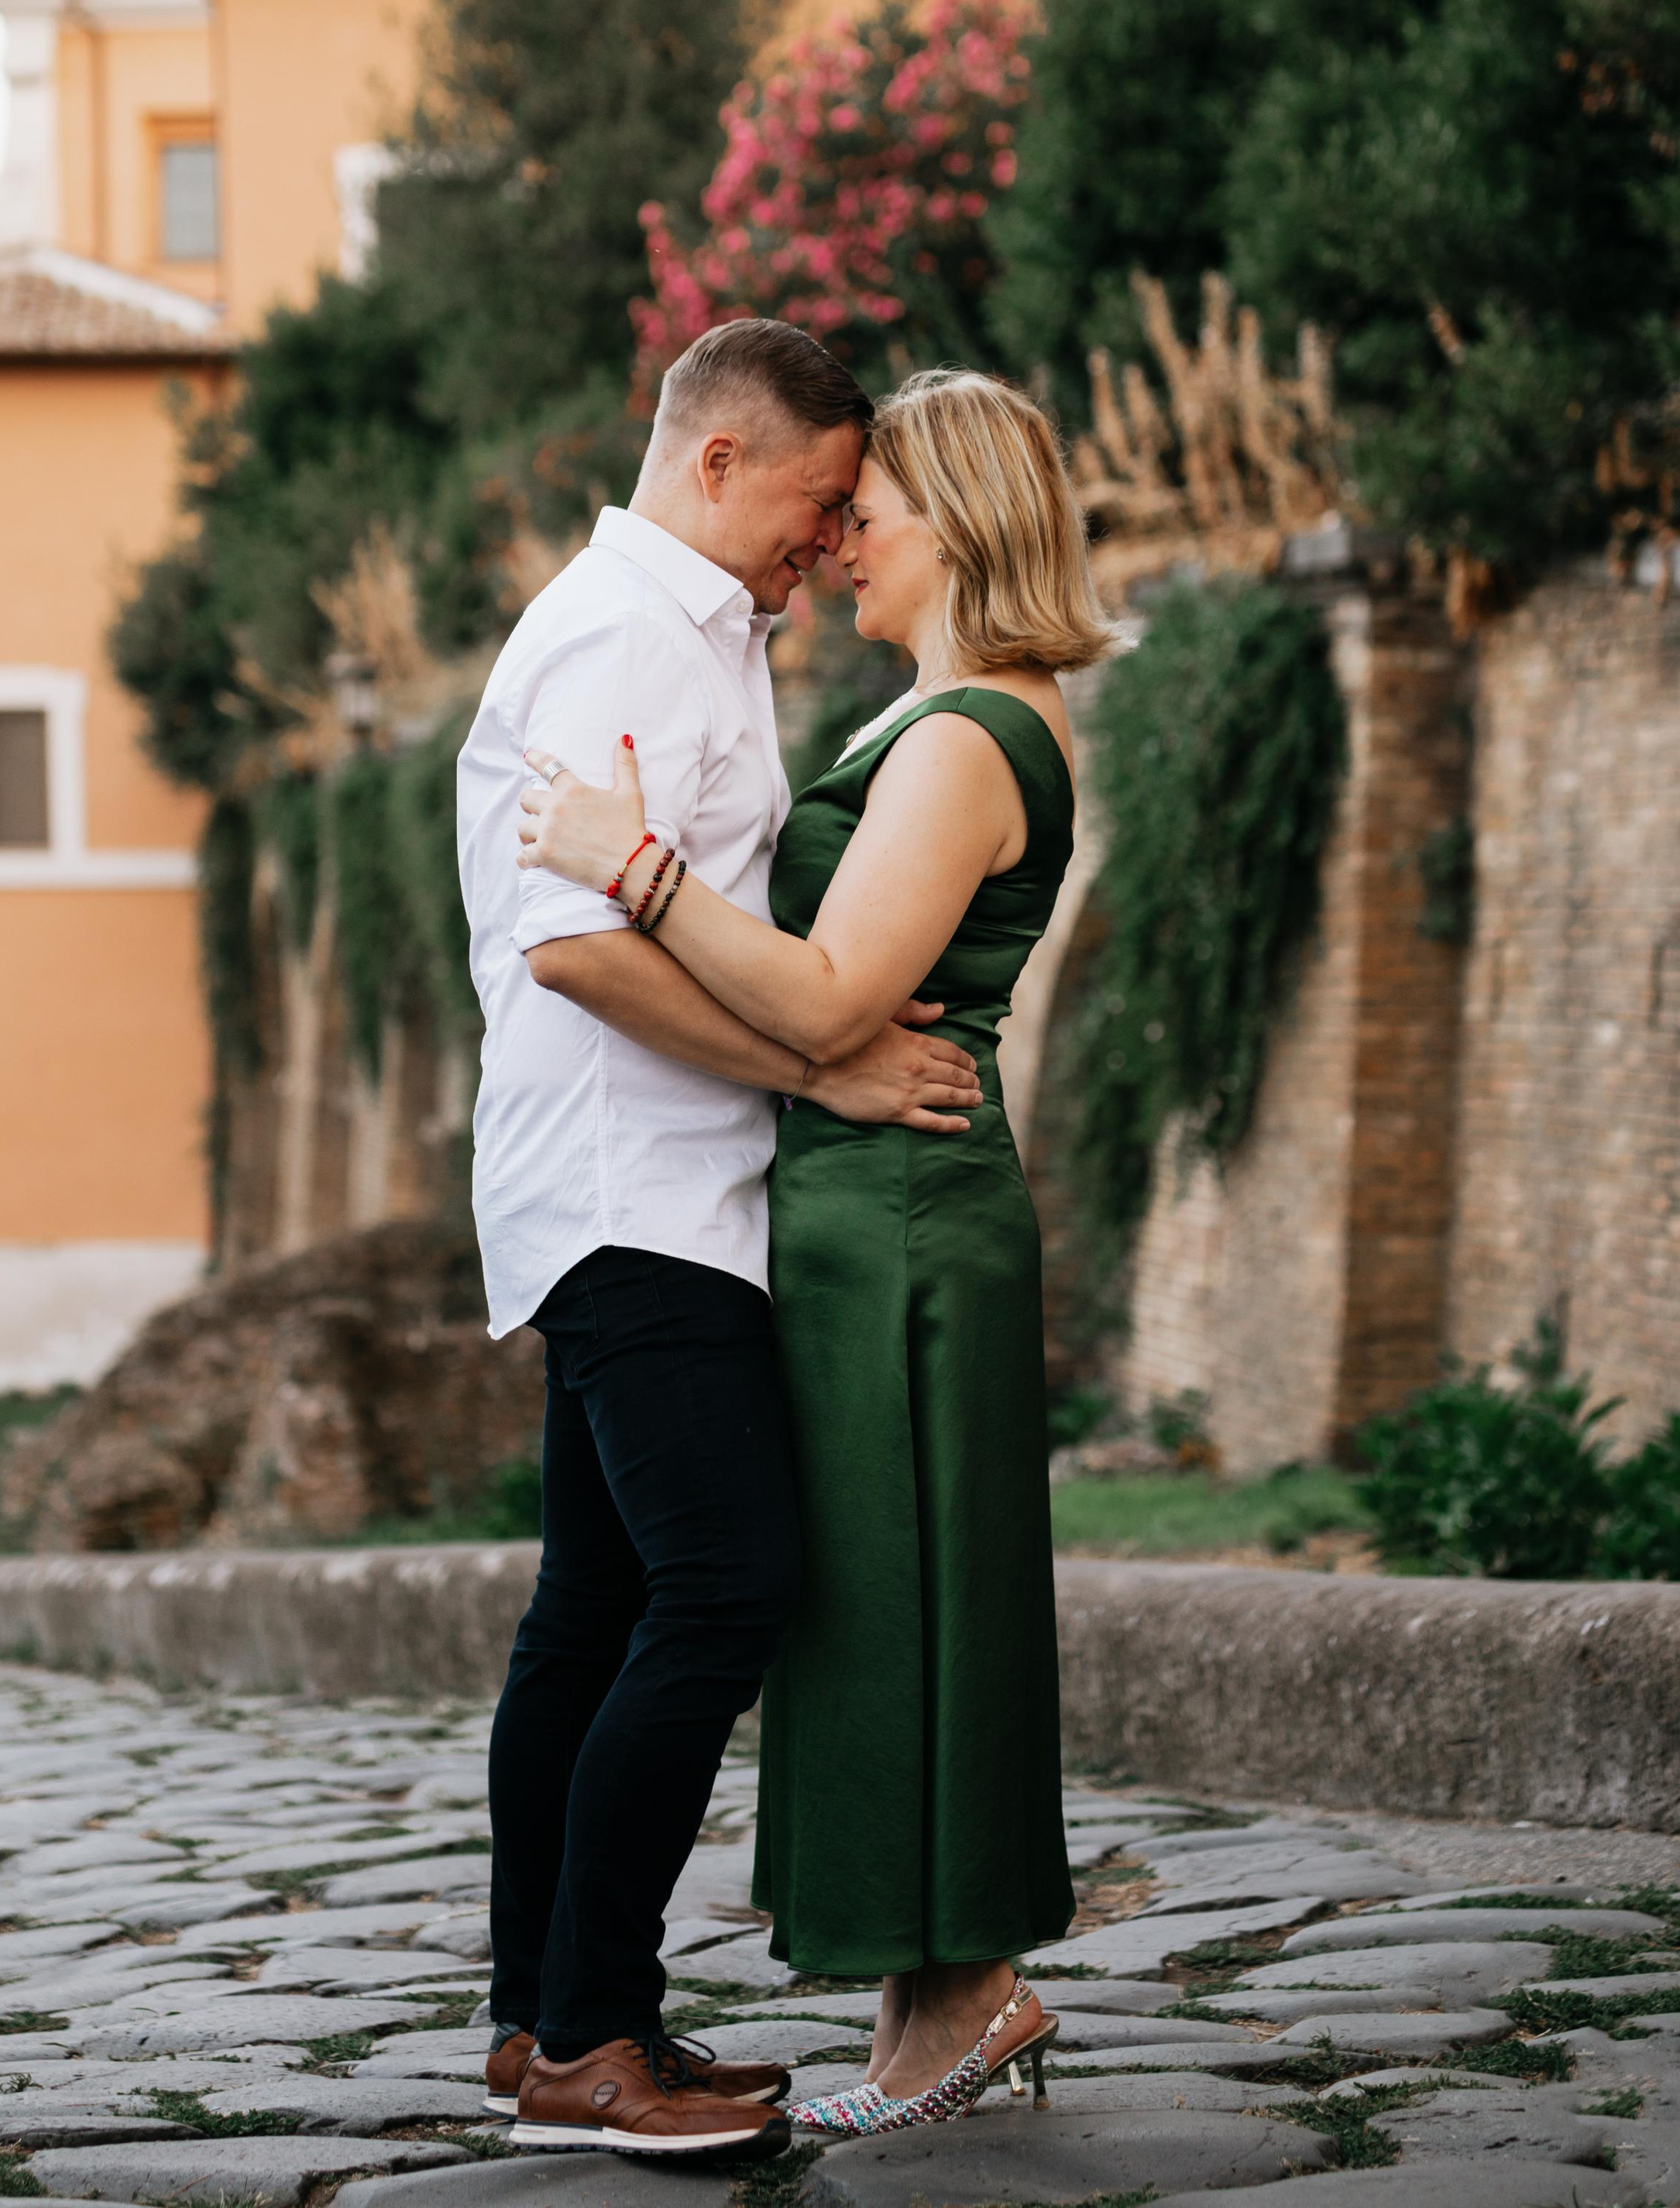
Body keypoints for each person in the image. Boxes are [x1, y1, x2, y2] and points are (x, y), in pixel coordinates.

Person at [518, 364, 1118, 2141]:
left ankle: (956, 1986)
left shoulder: (967, 736)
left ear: (962, 526)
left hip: (904, 1214)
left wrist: (628, 865)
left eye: (874, 511)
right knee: (874, 1596)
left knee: (906, 1588)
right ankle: (921, 1985)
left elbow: (836, 994)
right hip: (856, 1203)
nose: (844, 538)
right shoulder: (925, 717)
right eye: (835, 508)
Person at [455, 318, 987, 2165]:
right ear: (715, 461)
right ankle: (590, 2035)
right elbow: (576, 948)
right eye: (815, 499)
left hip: (639, 1184)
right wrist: (822, 1067)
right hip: (637, 1192)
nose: (827, 540)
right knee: (725, 1586)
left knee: (594, 1608)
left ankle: (543, 2020)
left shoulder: (684, 631)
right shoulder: (624, 634)